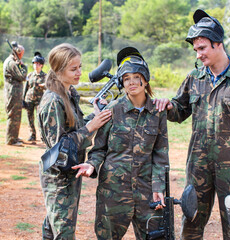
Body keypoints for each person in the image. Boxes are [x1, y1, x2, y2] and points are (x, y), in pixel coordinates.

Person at [153, 9, 230, 240]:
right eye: (195, 49)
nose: (198, 54)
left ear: (218, 44)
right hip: (199, 164)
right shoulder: (194, 78)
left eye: (203, 48)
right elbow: (180, 110)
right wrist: (168, 106)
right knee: (191, 220)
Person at [72, 47, 169, 240]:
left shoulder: (158, 112)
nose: (131, 82)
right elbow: (99, 149)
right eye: (126, 79)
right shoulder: (112, 110)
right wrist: (91, 165)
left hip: (146, 192)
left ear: (145, 79)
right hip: (113, 193)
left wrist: (158, 187)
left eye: (136, 77)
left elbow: (160, 153)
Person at [37, 43, 112, 239]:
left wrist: (93, 116)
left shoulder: (69, 93)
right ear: (59, 70)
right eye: (73, 69)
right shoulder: (53, 100)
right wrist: (92, 126)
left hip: (68, 171)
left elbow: (73, 127)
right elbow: (60, 146)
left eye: (80, 66)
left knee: (54, 225)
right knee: (63, 229)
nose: (80, 72)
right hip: (58, 175)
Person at [3, 41, 27, 146]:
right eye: (22, 53)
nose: (22, 55)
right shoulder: (12, 63)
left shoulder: (13, 61)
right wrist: (24, 67)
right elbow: (22, 76)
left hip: (15, 92)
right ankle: (11, 139)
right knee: (13, 115)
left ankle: (14, 136)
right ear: (18, 52)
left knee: (17, 115)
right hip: (13, 92)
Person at [23, 52, 47, 142]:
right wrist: (23, 99)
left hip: (39, 101)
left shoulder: (45, 76)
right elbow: (26, 88)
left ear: (41, 65)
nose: (36, 65)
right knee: (30, 118)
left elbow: (48, 88)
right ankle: (32, 135)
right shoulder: (30, 75)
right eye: (34, 64)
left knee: (40, 119)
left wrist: (44, 85)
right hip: (29, 99)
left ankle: (42, 136)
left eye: (38, 64)